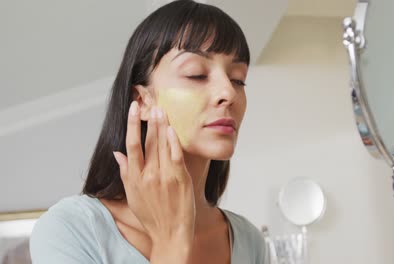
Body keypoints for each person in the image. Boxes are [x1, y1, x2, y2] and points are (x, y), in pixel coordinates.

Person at [29, 0, 269, 263]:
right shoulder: (70, 230)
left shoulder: (249, 242)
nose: (228, 93)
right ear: (142, 100)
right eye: (196, 74)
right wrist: (171, 242)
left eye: (238, 79)